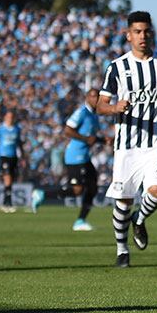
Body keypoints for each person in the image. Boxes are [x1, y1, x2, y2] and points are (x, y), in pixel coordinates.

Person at [96, 11, 157, 268]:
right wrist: (115, 108)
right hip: (126, 146)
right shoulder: (117, 67)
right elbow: (100, 105)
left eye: (146, 31)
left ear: (152, 34)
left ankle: (139, 220)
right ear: (128, 35)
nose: (142, 36)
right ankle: (121, 250)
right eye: (137, 31)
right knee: (123, 200)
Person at [62, 88, 103, 232]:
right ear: (87, 98)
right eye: (92, 96)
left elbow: (92, 137)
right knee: (77, 190)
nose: (95, 99)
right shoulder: (82, 112)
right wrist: (86, 139)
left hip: (85, 156)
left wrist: (104, 140)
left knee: (92, 187)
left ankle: (81, 220)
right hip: (75, 156)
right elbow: (67, 130)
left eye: (97, 96)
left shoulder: (95, 115)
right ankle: (43, 194)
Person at [0, 110, 24, 213]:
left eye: (12, 117)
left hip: (13, 157)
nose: (10, 119)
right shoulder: (0, 129)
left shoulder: (17, 129)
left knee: (11, 180)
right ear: (5, 118)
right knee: (8, 178)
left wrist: (23, 158)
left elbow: (19, 144)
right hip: (3, 156)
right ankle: (8, 203)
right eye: (8, 117)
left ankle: (6, 203)